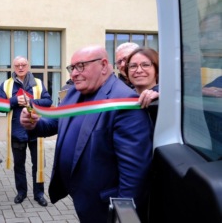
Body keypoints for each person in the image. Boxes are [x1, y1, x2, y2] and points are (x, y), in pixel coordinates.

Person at [20, 45, 153, 222]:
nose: (74, 73)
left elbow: (134, 173)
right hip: (81, 198)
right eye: (72, 68)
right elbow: (55, 124)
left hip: (105, 206)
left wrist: (124, 216)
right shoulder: (74, 92)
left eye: (81, 66)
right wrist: (33, 124)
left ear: (104, 65)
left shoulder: (124, 101)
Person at [0, 56, 52, 207]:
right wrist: (15, 101)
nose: (20, 68)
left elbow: (48, 102)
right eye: (17, 65)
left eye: (23, 65)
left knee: (38, 164)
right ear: (13, 68)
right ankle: (21, 192)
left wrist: (32, 102)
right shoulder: (7, 84)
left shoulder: (38, 83)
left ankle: (39, 194)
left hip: (36, 130)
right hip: (17, 131)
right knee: (19, 165)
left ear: (28, 66)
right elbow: (0, 106)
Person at [125, 47, 160, 125]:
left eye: (146, 65)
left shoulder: (167, 96)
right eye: (133, 66)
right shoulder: (125, 97)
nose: (139, 70)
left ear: (157, 70)